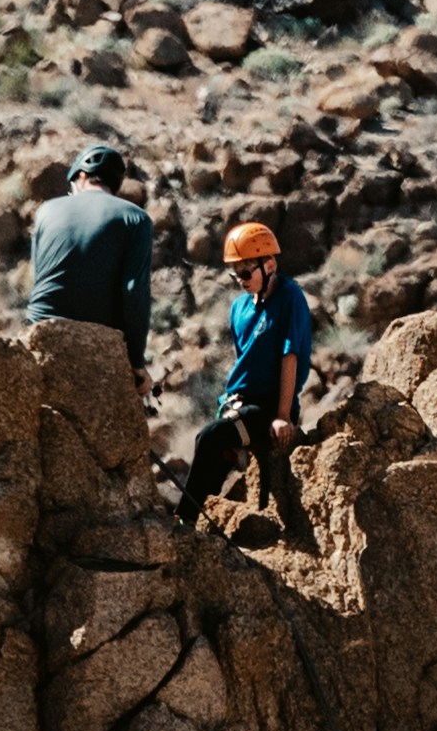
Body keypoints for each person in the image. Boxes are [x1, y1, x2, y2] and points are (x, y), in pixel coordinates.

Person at [185, 218, 320, 536]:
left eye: (246, 272)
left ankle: (184, 519)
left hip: (270, 407)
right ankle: (203, 525)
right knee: (214, 451)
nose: (241, 280)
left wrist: (283, 416)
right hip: (240, 404)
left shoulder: (290, 298)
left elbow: (290, 356)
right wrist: (230, 403)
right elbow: (244, 360)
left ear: (269, 264)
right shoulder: (240, 308)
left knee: (209, 438)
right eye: (235, 274)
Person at [22, 142, 156, 355]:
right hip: (99, 336)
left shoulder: (46, 211)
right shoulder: (136, 218)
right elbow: (134, 292)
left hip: (41, 326)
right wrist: (136, 361)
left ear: (82, 176)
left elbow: (39, 275)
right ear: (116, 184)